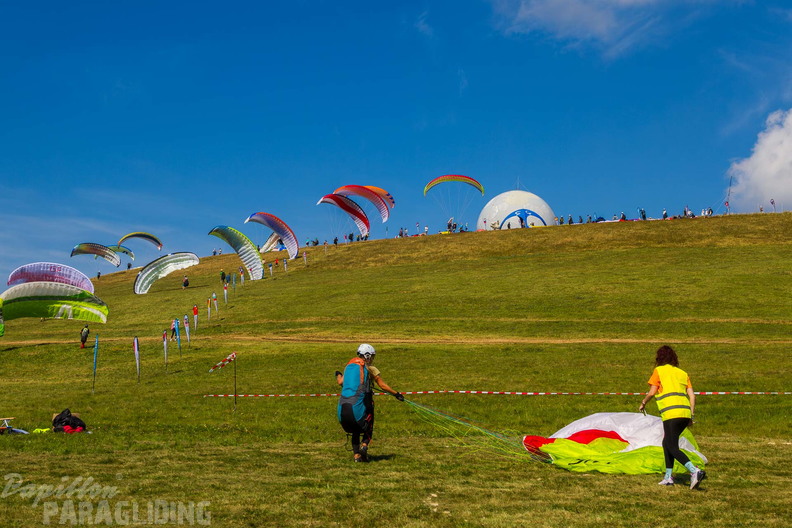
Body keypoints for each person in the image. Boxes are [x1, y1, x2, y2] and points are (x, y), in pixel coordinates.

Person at [638, 345, 707, 489]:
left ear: (659, 358)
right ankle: (668, 477)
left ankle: (694, 471)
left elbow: (652, 392)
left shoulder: (659, 371)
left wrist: (644, 402)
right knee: (666, 443)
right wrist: (691, 416)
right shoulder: (682, 373)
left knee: (671, 445)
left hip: (671, 413)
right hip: (684, 413)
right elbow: (692, 396)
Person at [335, 344, 404, 463]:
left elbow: (341, 382)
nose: (372, 358)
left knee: (355, 430)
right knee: (369, 426)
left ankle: (357, 456)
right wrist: (396, 394)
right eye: (372, 356)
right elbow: (382, 385)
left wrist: (338, 374)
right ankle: (364, 445)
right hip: (364, 403)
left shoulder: (350, 367)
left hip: (344, 406)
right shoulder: (370, 368)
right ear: (367, 356)